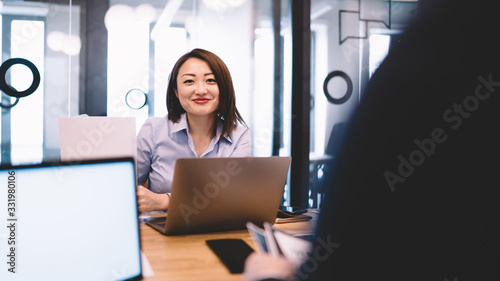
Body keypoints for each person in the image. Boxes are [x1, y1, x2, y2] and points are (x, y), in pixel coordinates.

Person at [243, 0, 500, 280]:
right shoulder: (460, 41)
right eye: (188, 81)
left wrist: (268, 275)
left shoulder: (446, 42)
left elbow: (353, 257)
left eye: (209, 80)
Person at [136, 48, 251, 213]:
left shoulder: (239, 136)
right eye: (189, 81)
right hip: (158, 232)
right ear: (176, 91)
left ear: (223, 88)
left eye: (210, 80)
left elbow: (232, 198)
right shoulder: (153, 130)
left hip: (217, 230)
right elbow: (125, 189)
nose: (201, 90)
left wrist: (166, 201)